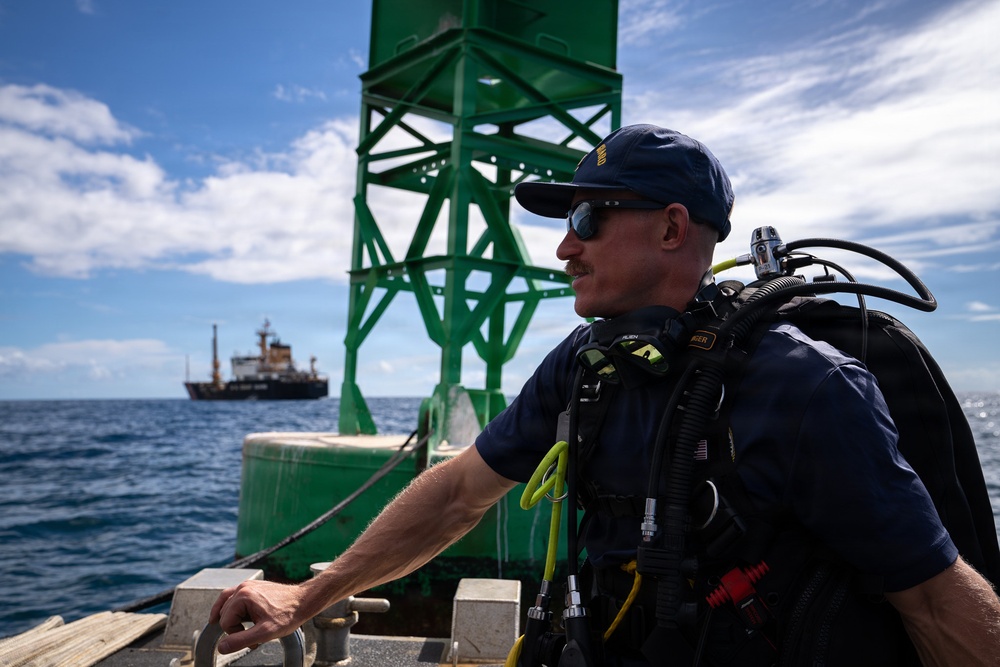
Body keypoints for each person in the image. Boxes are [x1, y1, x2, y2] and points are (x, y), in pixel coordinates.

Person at [211, 124, 1000, 665]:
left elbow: (935, 601)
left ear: (670, 229)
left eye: (588, 216)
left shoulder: (805, 387)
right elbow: (456, 495)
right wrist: (306, 594)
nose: (564, 245)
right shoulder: (586, 362)